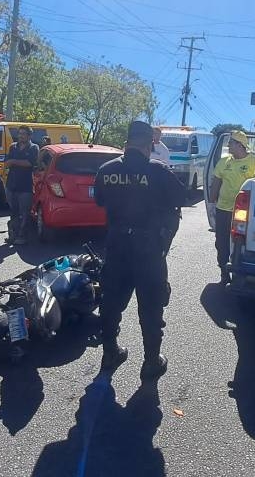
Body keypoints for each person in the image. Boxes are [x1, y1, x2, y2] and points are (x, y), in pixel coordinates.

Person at [95, 121, 185, 379]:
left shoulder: (106, 170)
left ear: (126, 144)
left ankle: (110, 351)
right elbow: (181, 199)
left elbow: (99, 200)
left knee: (111, 301)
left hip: (116, 246)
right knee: (151, 306)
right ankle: (151, 361)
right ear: (149, 146)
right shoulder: (159, 171)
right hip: (149, 250)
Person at [208, 130, 255, 285]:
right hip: (223, 210)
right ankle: (224, 273)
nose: (228, 145)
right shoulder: (224, 162)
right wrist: (212, 204)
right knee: (221, 243)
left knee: (241, 242)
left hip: (245, 213)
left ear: (240, 145)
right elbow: (216, 183)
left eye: (231, 142)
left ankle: (241, 273)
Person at [5, 125, 38, 245]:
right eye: (19, 133)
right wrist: (13, 162)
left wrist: (14, 161)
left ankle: (22, 235)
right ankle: (13, 234)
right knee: (13, 211)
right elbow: (7, 163)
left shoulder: (34, 148)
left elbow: (29, 163)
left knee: (24, 212)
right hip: (11, 185)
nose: (21, 136)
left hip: (25, 186)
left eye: (24, 134)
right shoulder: (13, 147)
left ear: (29, 136)